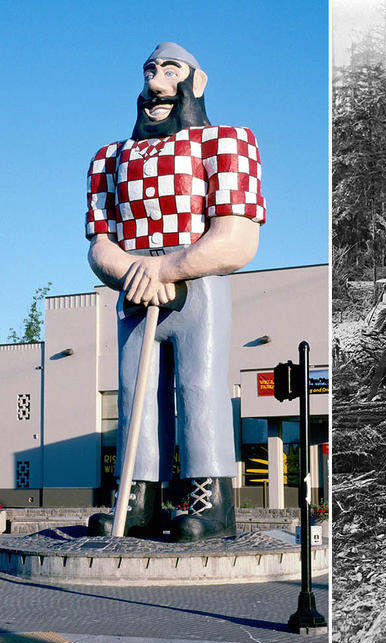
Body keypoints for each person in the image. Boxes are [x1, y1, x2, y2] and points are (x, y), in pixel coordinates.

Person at [86, 43, 263, 542]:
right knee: (134, 397)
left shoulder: (227, 142)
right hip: (135, 290)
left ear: (196, 82)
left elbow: (237, 237)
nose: (157, 83)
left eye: (170, 71)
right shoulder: (110, 157)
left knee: (199, 387)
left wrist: (168, 269)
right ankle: (137, 496)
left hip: (198, 287)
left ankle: (210, 500)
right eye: (149, 70)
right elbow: (100, 244)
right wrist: (133, 271)